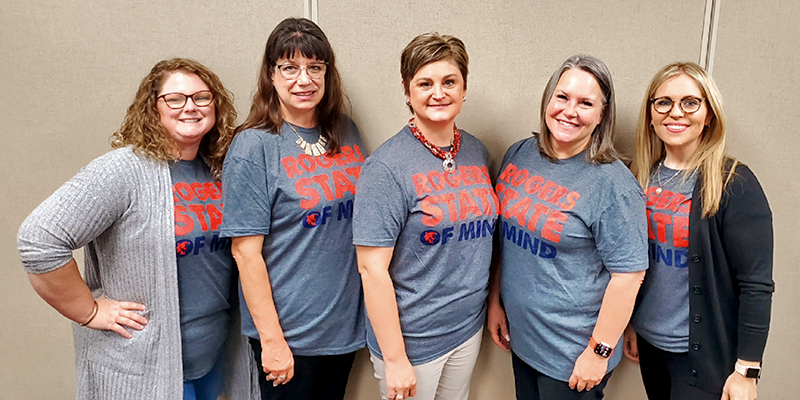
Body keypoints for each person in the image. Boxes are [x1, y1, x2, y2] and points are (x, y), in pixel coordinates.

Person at [17, 58, 258, 400]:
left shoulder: (219, 170)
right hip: (144, 370)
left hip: (213, 360)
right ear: (153, 108)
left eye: (202, 97)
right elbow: (38, 240)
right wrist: (89, 311)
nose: (190, 107)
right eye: (175, 99)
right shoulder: (123, 171)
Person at [219, 17, 366, 400]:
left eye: (315, 67)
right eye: (290, 68)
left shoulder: (346, 131)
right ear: (271, 75)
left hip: (342, 329)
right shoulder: (254, 146)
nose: (304, 80)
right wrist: (272, 341)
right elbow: (244, 252)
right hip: (289, 336)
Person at [486, 55, 648, 400]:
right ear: (548, 99)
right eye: (562, 97)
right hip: (524, 340)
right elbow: (507, 239)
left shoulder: (613, 185)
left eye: (585, 103)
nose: (569, 111)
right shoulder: (520, 153)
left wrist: (598, 352)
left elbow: (629, 275)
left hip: (573, 356)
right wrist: (495, 301)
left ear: (602, 114)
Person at [353, 32, 497, 400]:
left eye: (449, 81)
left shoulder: (477, 152)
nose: (439, 93)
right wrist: (396, 358)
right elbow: (372, 269)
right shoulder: (385, 168)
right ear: (407, 90)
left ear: (464, 88)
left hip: (467, 328)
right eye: (425, 83)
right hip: (412, 340)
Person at [624, 62, 774, 400]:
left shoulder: (733, 183)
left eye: (690, 102)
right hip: (650, 345)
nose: (675, 112)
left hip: (701, 357)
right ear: (650, 114)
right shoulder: (640, 176)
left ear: (709, 115)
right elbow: (636, 265)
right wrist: (634, 323)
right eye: (663, 102)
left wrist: (747, 370)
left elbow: (756, 285)